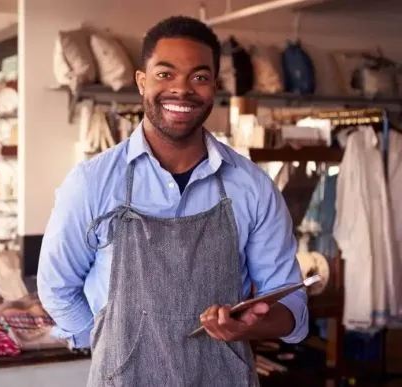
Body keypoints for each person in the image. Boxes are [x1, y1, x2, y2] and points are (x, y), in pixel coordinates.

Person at [37, 15, 308, 387]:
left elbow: (292, 308)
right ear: (141, 81)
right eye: (165, 74)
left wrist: (250, 326)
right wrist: (112, 346)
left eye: (199, 76)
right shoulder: (91, 183)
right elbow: (57, 286)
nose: (182, 89)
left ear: (215, 85)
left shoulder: (252, 187)